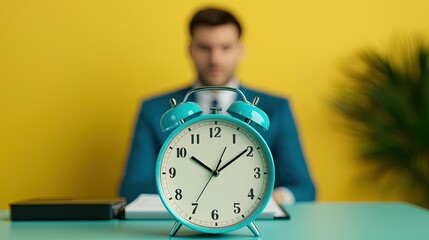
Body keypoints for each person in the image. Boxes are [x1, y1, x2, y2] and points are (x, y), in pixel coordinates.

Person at [119, 7, 316, 204]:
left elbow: (303, 188)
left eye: (225, 47)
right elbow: (133, 188)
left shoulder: (276, 108)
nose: (215, 59)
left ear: (240, 50)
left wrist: (272, 198)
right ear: (190, 50)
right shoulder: (153, 110)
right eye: (205, 48)